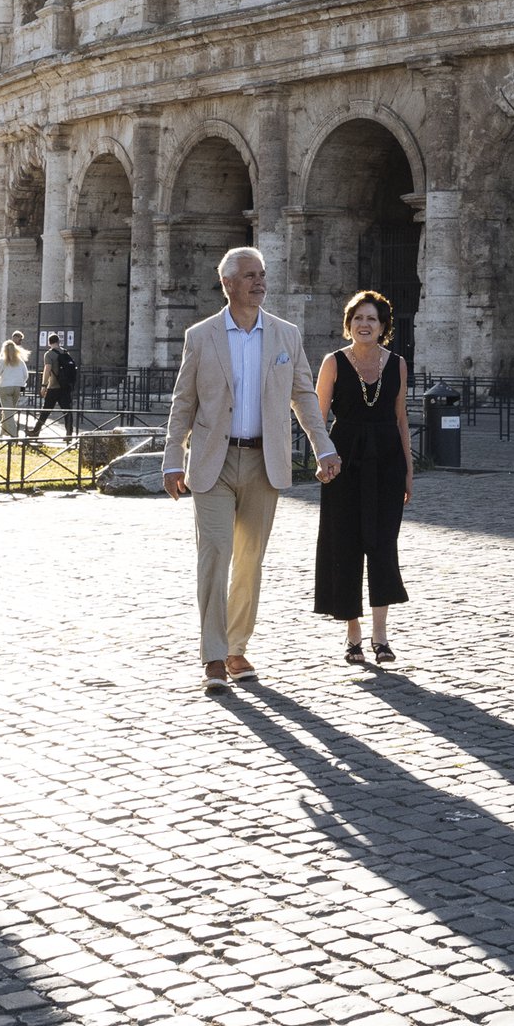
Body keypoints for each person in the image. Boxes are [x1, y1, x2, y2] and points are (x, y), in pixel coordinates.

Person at [162, 246, 339, 694]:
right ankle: (215, 657)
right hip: (212, 464)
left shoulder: (285, 335)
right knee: (215, 555)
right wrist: (171, 458)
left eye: (262, 275)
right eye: (249, 275)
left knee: (250, 562)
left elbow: (304, 396)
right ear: (227, 284)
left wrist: (324, 449)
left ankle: (239, 646)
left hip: (265, 462)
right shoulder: (201, 336)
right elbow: (184, 403)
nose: (259, 282)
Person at [313, 291, 413, 667]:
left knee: (383, 545)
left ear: (383, 326)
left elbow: (401, 419)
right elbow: (317, 417)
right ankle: (353, 634)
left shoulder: (398, 364)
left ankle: (381, 635)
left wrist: (408, 470)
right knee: (346, 545)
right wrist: (322, 459)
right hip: (344, 462)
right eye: (357, 318)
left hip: (387, 462)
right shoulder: (333, 362)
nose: (364, 325)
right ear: (348, 324)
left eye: (371, 319)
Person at [0, 333, 30, 433]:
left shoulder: (2, 360)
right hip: (17, 388)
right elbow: (26, 375)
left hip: (5, 388)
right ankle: (3, 431)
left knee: (8, 413)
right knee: (9, 411)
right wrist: (20, 382)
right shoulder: (20, 361)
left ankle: (13, 436)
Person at [37, 337, 77, 441]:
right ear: (59, 342)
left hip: (54, 386)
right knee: (67, 411)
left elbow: (47, 370)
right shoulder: (65, 352)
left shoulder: (49, 354)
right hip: (65, 387)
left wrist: (44, 386)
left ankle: (36, 431)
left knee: (46, 410)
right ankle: (69, 434)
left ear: (49, 342)